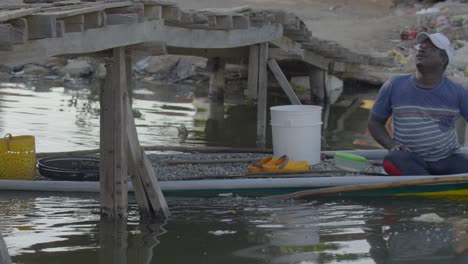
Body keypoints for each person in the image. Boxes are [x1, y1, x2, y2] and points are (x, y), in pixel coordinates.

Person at [368, 32, 468, 176]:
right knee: (393, 159)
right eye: (421, 46)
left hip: (447, 160)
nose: (421, 49)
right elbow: (375, 122)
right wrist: (392, 145)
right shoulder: (394, 85)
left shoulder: (458, 92)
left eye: (430, 48)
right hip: (410, 161)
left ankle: (424, 182)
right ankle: (427, 183)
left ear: (443, 60)